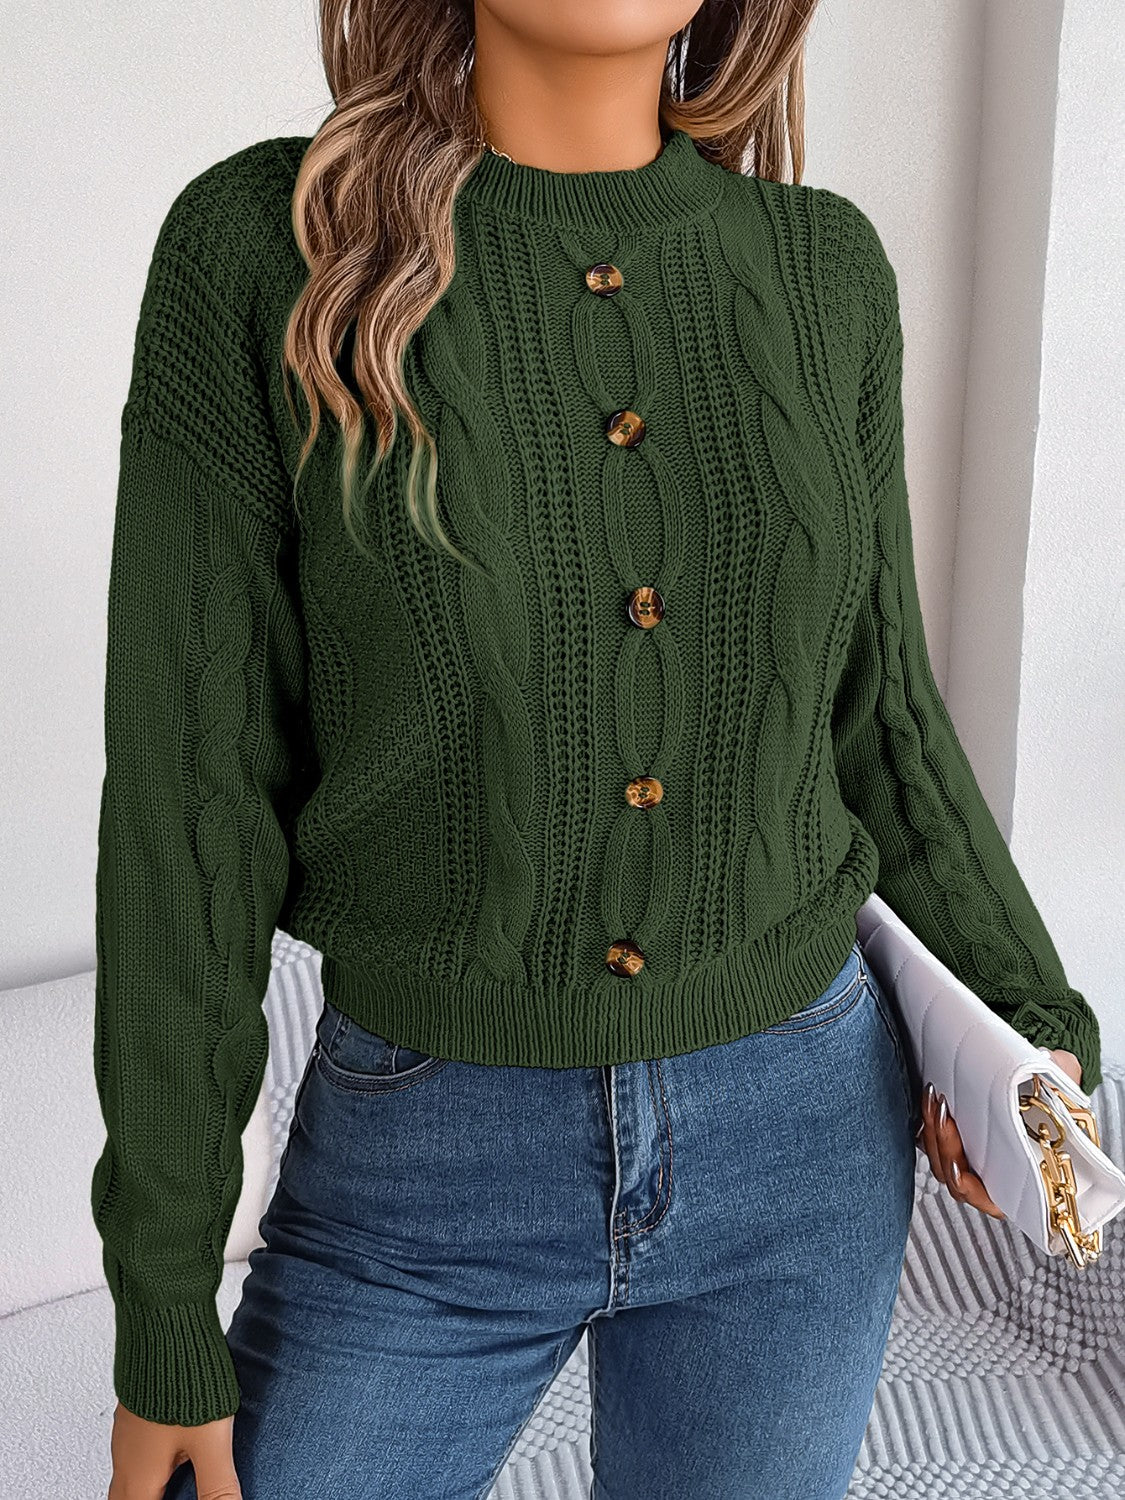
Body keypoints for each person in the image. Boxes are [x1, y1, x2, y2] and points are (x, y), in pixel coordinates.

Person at [91, 2, 1100, 1497]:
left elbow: (879, 715)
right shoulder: (268, 248)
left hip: (806, 1144)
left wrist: (1027, 1017)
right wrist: (166, 1302)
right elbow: (190, 806)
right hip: (425, 1164)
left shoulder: (823, 273)